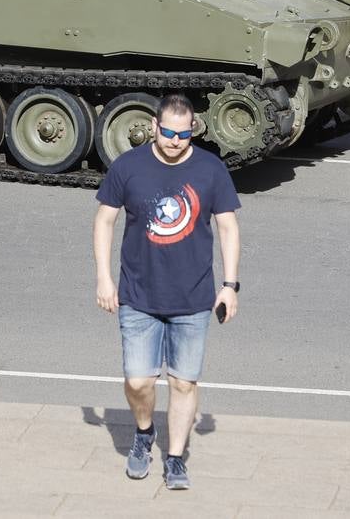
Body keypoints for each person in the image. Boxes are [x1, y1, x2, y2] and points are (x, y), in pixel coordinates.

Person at [92, 93, 241, 491]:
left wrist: (230, 285)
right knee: (139, 381)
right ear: (155, 127)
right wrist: (104, 278)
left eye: (184, 133)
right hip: (138, 295)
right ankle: (144, 432)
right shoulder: (129, 166)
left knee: (183, 383)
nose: (176, 140)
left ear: (193, 130)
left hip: (193, 298)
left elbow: (227, 227)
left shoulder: (210, 169)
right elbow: (104, 221)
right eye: (169, 132)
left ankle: (175, 458)